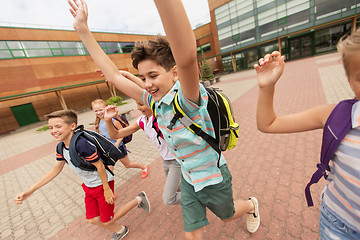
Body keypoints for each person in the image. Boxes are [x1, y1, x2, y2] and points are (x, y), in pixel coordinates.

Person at [67, 0, 260, 239]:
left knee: (228, 214)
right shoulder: (154, 102)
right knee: (191, 232)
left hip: (212, 177)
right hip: (189, 179)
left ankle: (251, 205)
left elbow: (187, 57)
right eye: (142, 77)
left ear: (174, 73)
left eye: (153, 75)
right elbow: (114, 76)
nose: (147, 84)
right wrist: (84, 31)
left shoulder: (189, 98)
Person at [255, 29, 360, 239]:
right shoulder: (337, 116)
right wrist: (267, 86)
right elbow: (268, 123)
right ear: (349, 80)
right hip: (338, 224)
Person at [14, 109, 150, 240]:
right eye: (50, 128)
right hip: (89, 186)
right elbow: (55, 169)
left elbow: (100, 166)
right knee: (93, 220)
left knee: (108, 220)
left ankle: (138, 200)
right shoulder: (60, 147)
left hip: (102, 183)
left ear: (72, 126)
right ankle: (120, 230)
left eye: (58, 126)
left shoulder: (81, 144)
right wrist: (30, 191)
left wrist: (107, 189)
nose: (54, 131)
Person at [105, 97, 181, 205]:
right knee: (177, 186)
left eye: (141, 104)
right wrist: (108, 120)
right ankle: (197, 190)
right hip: (166, 160)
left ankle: (200, 196)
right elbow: (115, 134)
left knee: (169, 198)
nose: (138, 108)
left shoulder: (161, 115)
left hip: (177, 160)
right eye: (137, 104)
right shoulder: (142, 121)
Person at [91, 98, 149, 178]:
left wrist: (117, 144)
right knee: (109, 167)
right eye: (96, 111)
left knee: (128, 165)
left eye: (100, 110)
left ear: (106, 108)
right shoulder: (99, 122)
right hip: (108, 150)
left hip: (118, 148)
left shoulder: (113, 120)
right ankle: (108, 185)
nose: (98, 112)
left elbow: (122, 133)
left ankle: (144, 167)